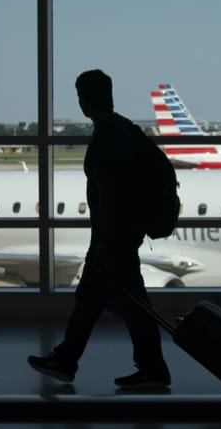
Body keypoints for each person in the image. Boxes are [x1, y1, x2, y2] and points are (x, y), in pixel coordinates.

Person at [28, 69, 172, 391]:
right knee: (96, 299)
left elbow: (108, 194)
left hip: (113, 236)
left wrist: (104, 243)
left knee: (127, 305)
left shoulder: (108, 136)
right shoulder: (124, 128)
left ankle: (148, 368)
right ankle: (69, 361)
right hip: (125, 232)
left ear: (84, 100)